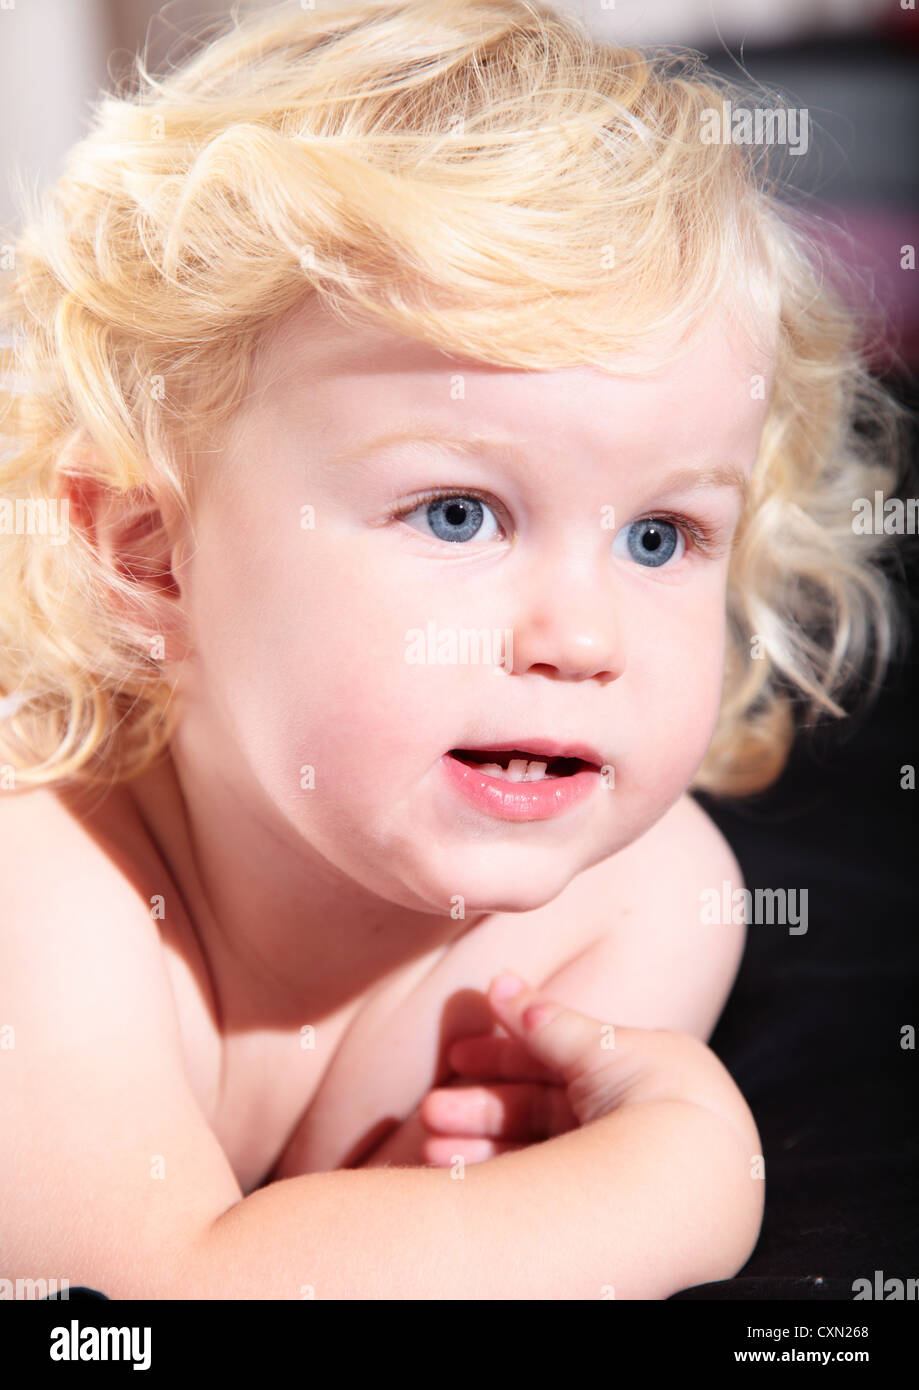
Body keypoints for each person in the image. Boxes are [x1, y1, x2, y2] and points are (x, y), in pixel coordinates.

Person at [0, 0, 907, 1299]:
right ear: (153, 555)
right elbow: (142, 1302)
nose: (582, 638)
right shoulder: (46, 878)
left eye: (659, 535)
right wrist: (679, 1176)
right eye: (459, 513)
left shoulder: (645, 898)